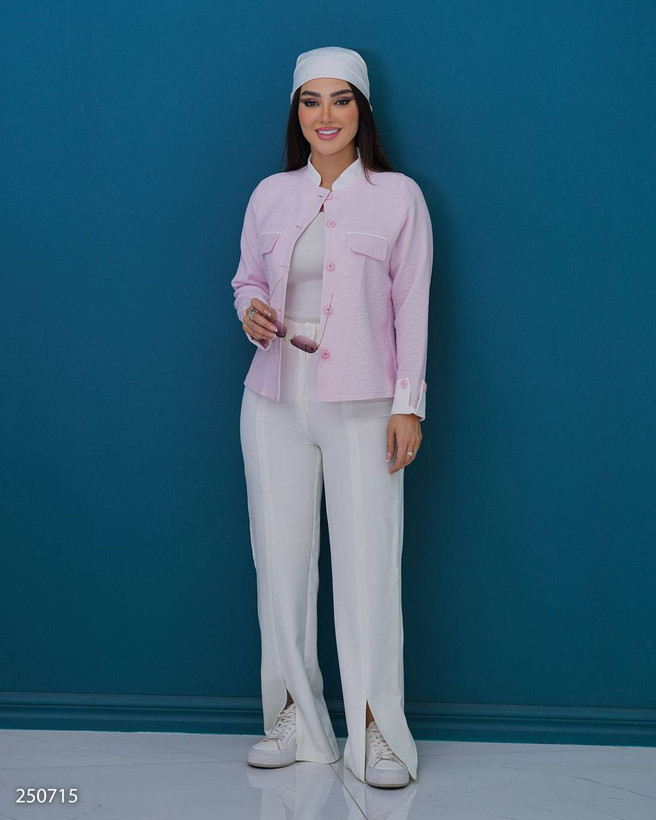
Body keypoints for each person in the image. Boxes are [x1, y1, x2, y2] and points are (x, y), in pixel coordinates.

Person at [231, 46, 433, 788]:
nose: (325, 115)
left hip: (363, 403)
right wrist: (248, 309)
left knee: (368, 566)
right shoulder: (270, 194)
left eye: (340, 100)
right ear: (296, 112)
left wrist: (407, 405)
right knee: (278, 565)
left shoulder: (398, 197)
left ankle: (379, 733)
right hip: (273, 400)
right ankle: (296, 721)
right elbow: (247, 278)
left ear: (362, 111)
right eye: (310, 101)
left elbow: (412, 307)